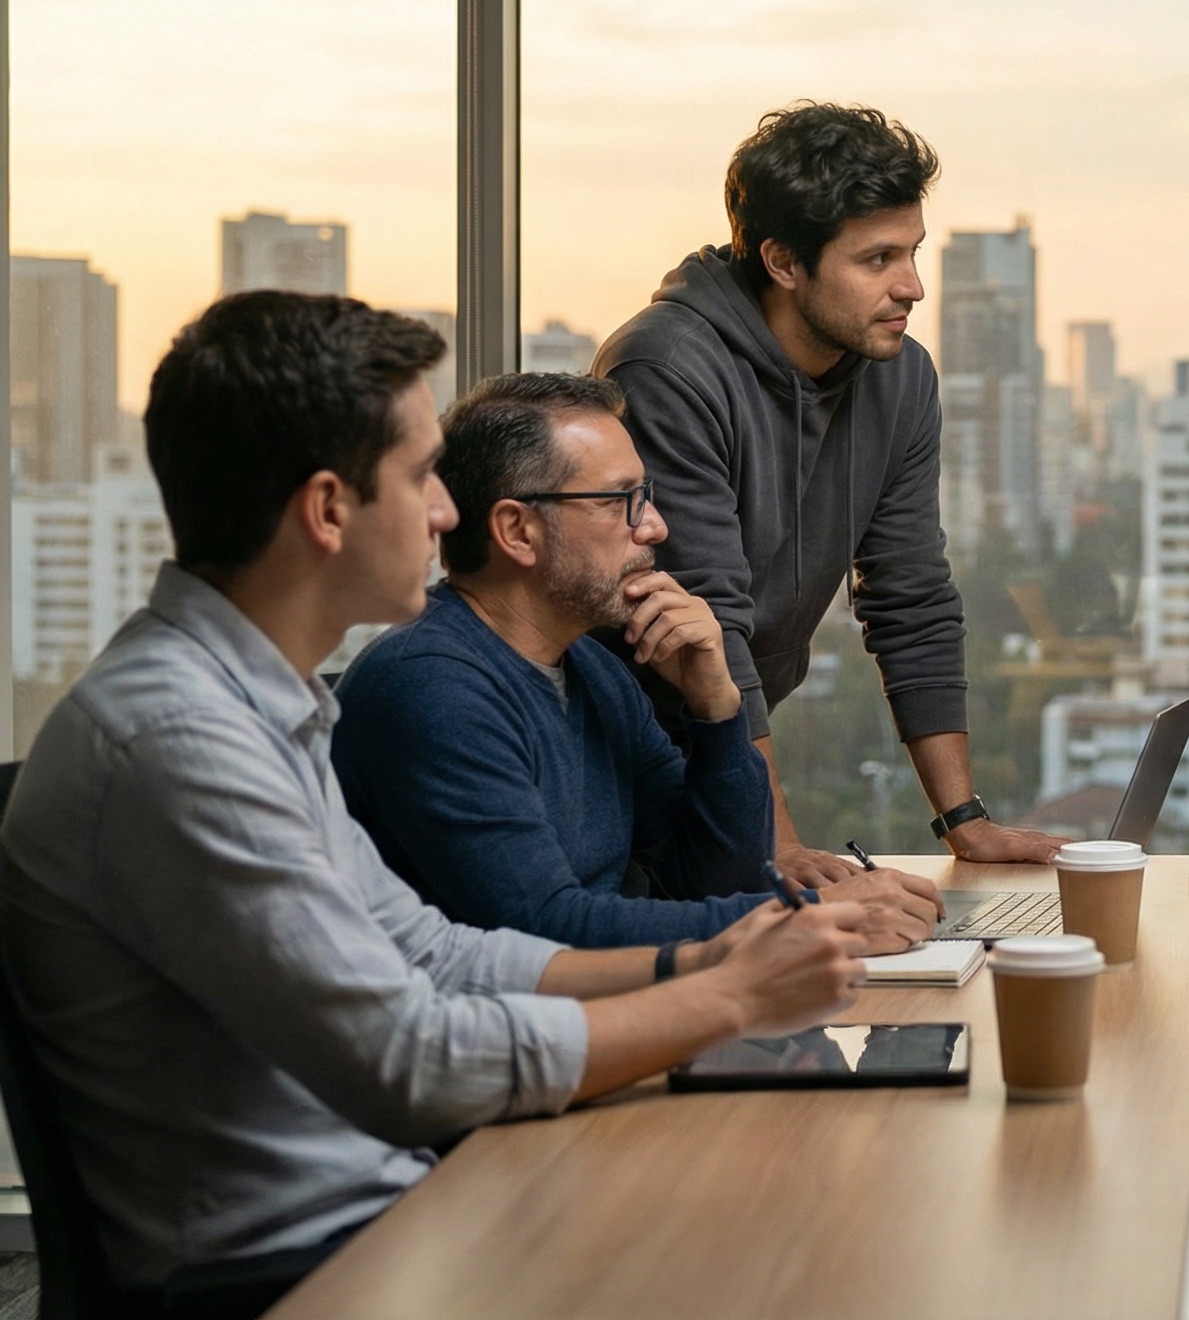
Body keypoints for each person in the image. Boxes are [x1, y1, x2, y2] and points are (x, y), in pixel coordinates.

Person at [0, 292, 879, 1313]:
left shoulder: (256, 706)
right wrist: (725, 999)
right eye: (419, 477)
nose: (444, 512)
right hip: (292, 1272)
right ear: (329, 509)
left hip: (392, 1208)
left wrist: (710, 956)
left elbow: (438, 954)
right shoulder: (179, 738)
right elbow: (408, 1060)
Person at [595, 102, 1064, 881]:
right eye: (876, 259)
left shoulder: (900, 376)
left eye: (913, 253)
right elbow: (707, 631)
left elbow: (910, 596)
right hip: (610, 757)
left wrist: (964, 821)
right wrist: (772, 846)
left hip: (724, 750)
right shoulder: (667, 369)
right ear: (783, 261)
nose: (911, 286)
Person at [332, 372, 944, 950]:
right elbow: (542, 930)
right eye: (621, 499)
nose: (654, 526)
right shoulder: (431, 687)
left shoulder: (593, 673)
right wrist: (814, 919)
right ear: (517, 530)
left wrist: (716, 708)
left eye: (645, 495)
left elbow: (721, 881)